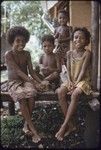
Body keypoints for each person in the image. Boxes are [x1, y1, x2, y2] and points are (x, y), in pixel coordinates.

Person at [5, 26, 46, 143]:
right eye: (18, 41)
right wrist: (32, 81)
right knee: (22, 96)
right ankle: (33, 128)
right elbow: (17, 71)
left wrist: (40, 82)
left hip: (26, 81)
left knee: (32, 94)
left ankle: (26, 125)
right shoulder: (8, 55)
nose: (21, 43)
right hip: (14, 82)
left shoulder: (27, 54)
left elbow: (32, 72)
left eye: (23, 41)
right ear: (12, 40)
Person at [55, 27, 92, 141]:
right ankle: (71, 125)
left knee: (75, 94)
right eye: (76, 37)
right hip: (71, 80)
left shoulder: (87, 53)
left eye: (81, 38)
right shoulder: (69, 53)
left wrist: (75, 85)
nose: (78, 40)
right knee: (61, 91)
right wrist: (70, 82)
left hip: (83, 80)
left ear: (86, 41)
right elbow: (69, 71)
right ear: (72, 39)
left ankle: (64, 126)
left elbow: (82, 71)